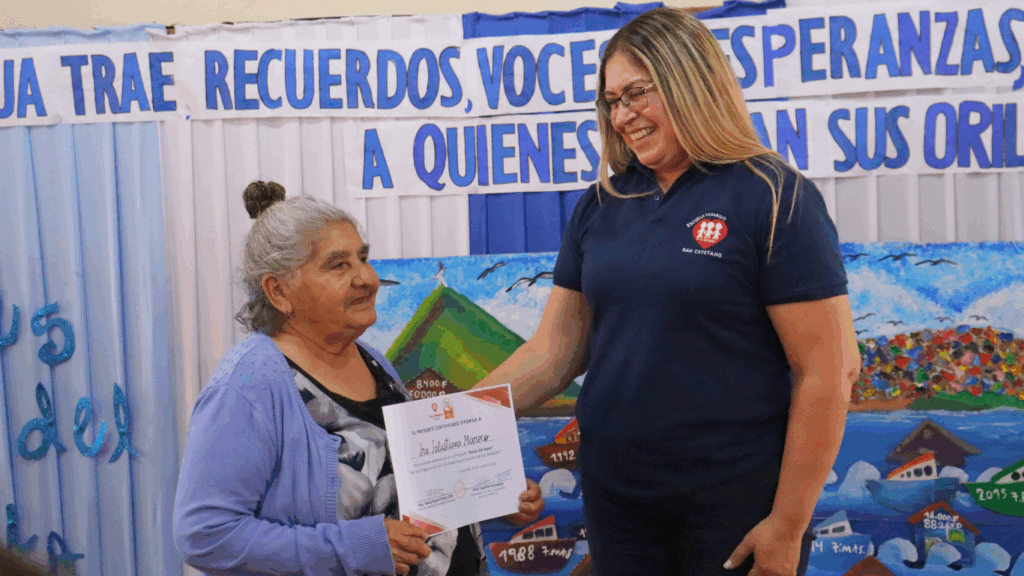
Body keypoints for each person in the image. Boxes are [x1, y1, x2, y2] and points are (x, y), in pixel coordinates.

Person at [472, 8, 861, 576]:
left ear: (690, 82)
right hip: (617, 503)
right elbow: (553, 354)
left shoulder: (774, 196)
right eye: (611, 101)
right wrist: (449, 423)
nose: (623, 115)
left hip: (733, 501)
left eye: (637, 94)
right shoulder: (602, 204)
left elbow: (829, 371)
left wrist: (787, 525)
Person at [173, 182, 544, 576]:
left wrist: (494, 495)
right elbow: (204, 535)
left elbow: (407, 497)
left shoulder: (373, 361)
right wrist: (353, 547)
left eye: (363, 258)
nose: (367, 278)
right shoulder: (247, 387)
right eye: (339, 264)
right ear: (279, 291)